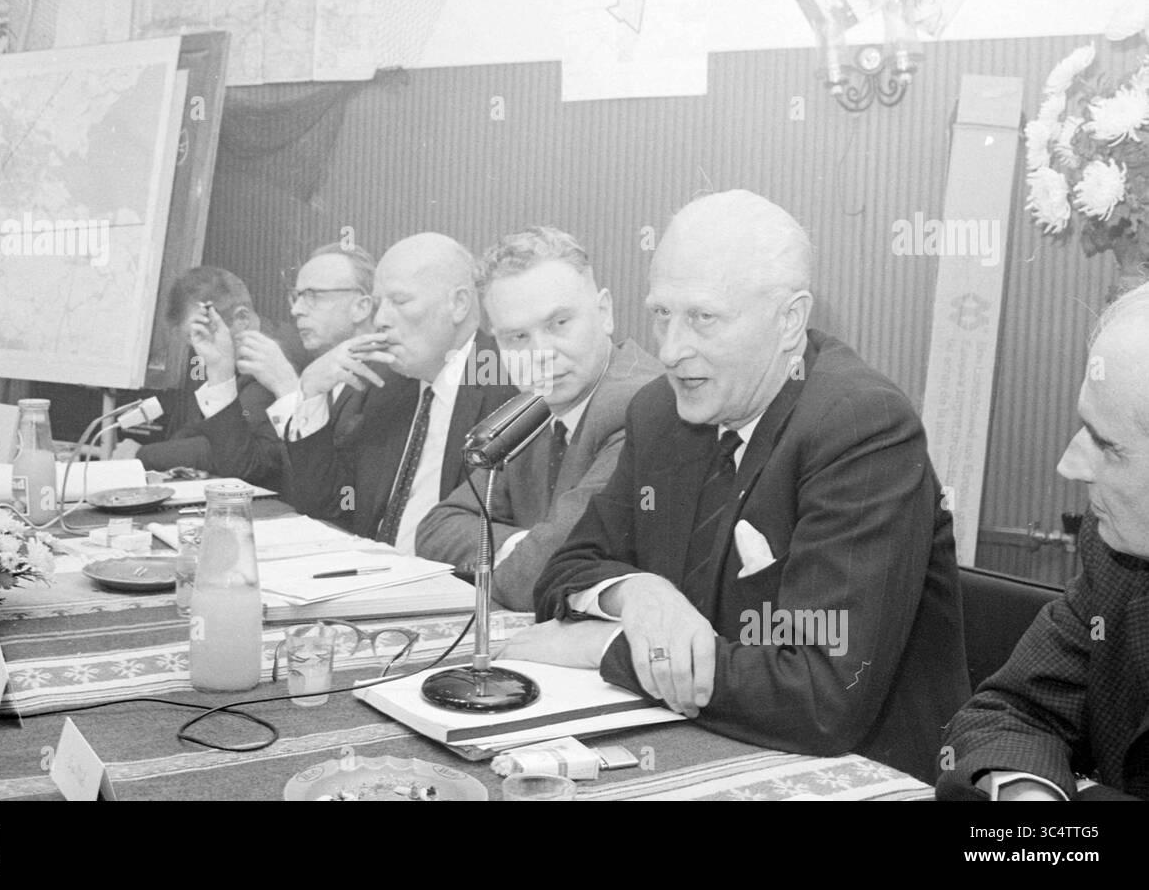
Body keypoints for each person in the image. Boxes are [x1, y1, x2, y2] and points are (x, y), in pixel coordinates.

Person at [506, 190, 970, 783]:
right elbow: (565, 572)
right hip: (701, 740)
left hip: (864, 773)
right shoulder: (662, 411)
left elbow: (820, 696)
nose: (671, 351)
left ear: (789, 320)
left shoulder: (861, 427)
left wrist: (602, 648)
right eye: (661, 314)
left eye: (703, 318)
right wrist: (638, 594)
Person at [938, 283, 1149, 801]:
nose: (1069, 464)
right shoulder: (1116, 557)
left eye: (1107, 444)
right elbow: (1013, 712)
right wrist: (1027, 792)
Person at [416, 227, 661, 610]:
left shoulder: (640, 406)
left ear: (605, 313)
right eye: (517, 338)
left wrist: (515, 552)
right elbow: (436, 528)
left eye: (559, 324)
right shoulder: (536, 407)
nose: (541, 353)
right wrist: (522, 545)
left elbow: (542, 575)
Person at [286, 232, 518, 550]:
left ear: (459, 304)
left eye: (400, 301)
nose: (380, 320)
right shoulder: (381, 382)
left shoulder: (508, 383)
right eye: (379, 304)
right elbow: (334, 507)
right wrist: (311, 394)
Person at [196, 243, 383, 486]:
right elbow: (250, 470)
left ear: (361, 307)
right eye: (296, 297)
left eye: (312, 296)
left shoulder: (386, 381)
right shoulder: (313, 370)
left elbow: (339, 502)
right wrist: (220, 371)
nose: (296, 310)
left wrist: (288, 388)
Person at [136, 267, 300, 485]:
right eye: (191, 340)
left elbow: (229, 450)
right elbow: (201, 426)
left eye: (201, 334)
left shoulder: (278, 357)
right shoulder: (230, 351)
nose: (198, 349)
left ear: (241, 318)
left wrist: (142, 454)